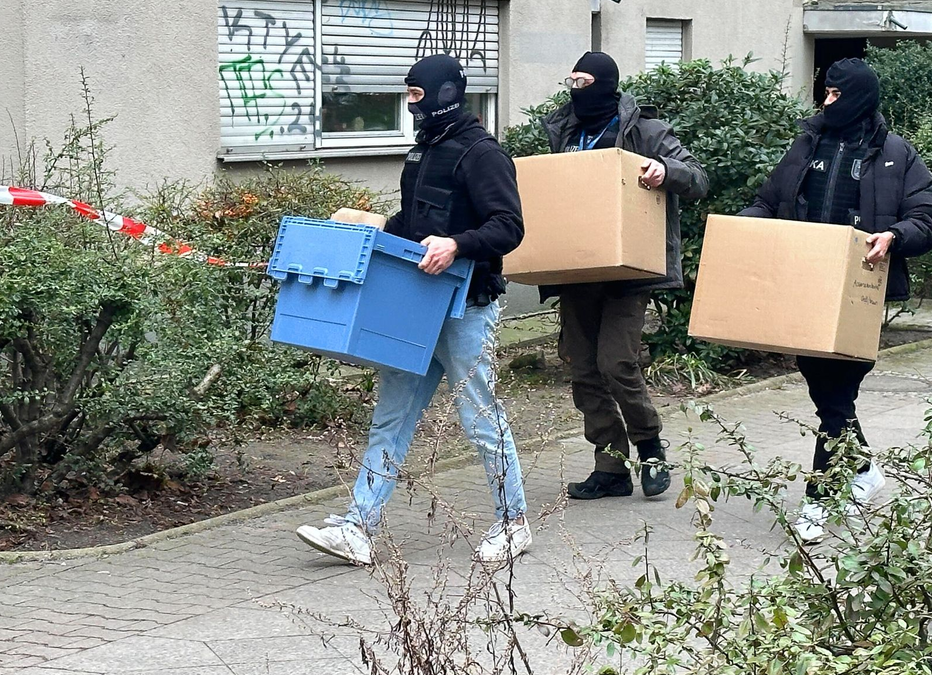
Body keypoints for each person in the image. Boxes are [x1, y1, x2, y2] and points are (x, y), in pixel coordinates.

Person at [295, 54, 530, 566]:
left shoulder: (482, 153)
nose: (409, 102)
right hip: (416, 308)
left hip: (467, 310)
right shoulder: (422, 151)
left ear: (445, 94)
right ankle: (358, 528)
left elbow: (509, 226)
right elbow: (413, 223)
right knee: (391, 419)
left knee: (480, 419)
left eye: (416, 94)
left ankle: (513, 522)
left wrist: (457, 244)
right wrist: (372, 229)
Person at [738, 58, 932, 542]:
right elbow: (769, 201)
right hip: (804, 283)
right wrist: (742, 229)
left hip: (859, 290)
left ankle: (819, 498)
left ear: (859, 98)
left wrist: (894, 235)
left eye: (835, 94)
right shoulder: (807, 144)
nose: (826, 102)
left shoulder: (895, 154)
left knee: (839, 391)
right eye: (825, 93)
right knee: (822, 387)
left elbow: (927, 219)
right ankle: (864, 469)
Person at [539, 52, 709, 501]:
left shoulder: (646, 130)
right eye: (571, 81)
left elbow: (697, 177)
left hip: (630, 270)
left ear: (606, 84)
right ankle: (611, 467)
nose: (575, 90)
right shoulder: (564, 130)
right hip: (578, 267)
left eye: (583, 82)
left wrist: (665, 170)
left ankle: (649, 446)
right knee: (583, 370)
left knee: (616, 363)